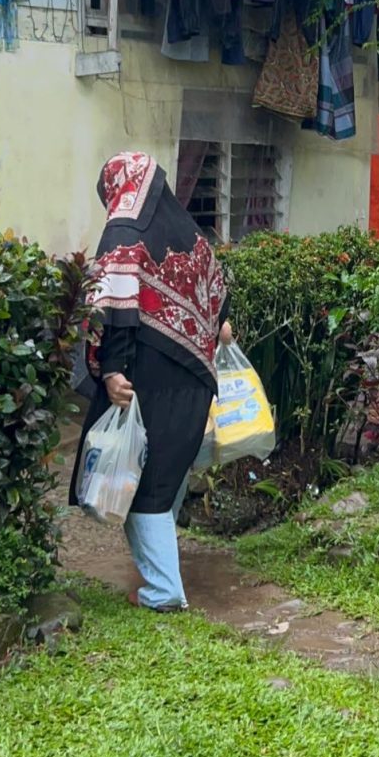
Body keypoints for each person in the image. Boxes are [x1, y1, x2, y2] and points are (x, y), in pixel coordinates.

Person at [70, 151, 232, 612]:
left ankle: (164, 591)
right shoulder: (191, 234)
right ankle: (163, 571)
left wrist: (112, 370)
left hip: (146, 381)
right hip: (197, 380)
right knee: (167, 475)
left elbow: (115, 312)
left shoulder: (123, 231)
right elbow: (220, 301)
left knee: (138, 487)